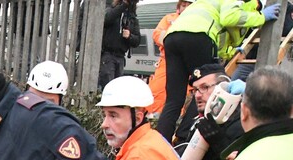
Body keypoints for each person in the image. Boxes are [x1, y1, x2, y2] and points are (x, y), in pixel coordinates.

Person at [157, 0, 278, 142]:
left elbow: (220, 34)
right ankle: (184, 139)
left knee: (174, 99)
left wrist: (229, 51)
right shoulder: (237, 3)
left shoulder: (210, 4)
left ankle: (160, 142)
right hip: (200, 36)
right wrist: (261, 17)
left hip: (172, 37)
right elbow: (229, 18)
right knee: (207, 90)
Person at [148, 0, 194, 117]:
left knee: (184, 95)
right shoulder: (169, 19)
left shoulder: (196, 21)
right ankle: (154, 117)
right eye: (183, 5)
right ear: (179, 7)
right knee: (157, 91)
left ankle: (177, 120)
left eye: (189, 6)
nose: (186, 8)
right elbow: (157, 34)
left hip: (187, 63)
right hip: (167, 62)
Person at [99, 0, 141, 89]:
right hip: (108, 55)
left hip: (121, 57)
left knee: (117, 88)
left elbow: (137, 41)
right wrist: (123, 5)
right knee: (108, 86)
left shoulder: (132, 18)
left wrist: (130, 36)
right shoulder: (111, 10)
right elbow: (106, 19)